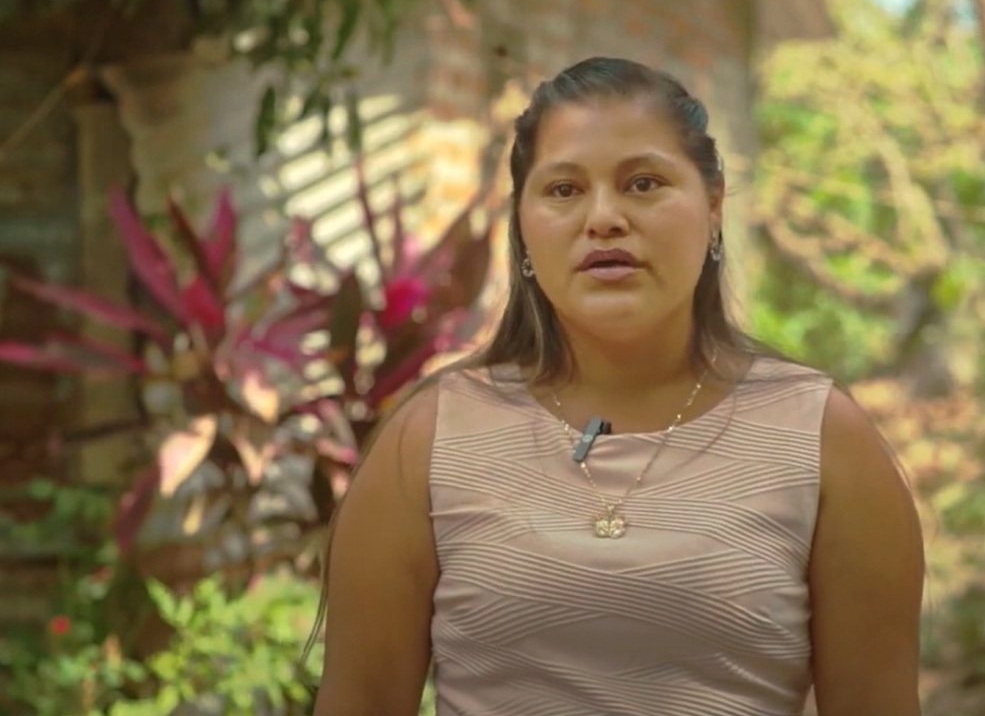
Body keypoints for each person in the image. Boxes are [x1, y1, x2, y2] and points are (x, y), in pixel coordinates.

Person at [308, 56, 925, 716]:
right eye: (564, 190)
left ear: (712, 206)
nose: (603, 218)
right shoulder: (428, 442)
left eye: (643, 182)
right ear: (522, 223)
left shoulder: (823, 441)